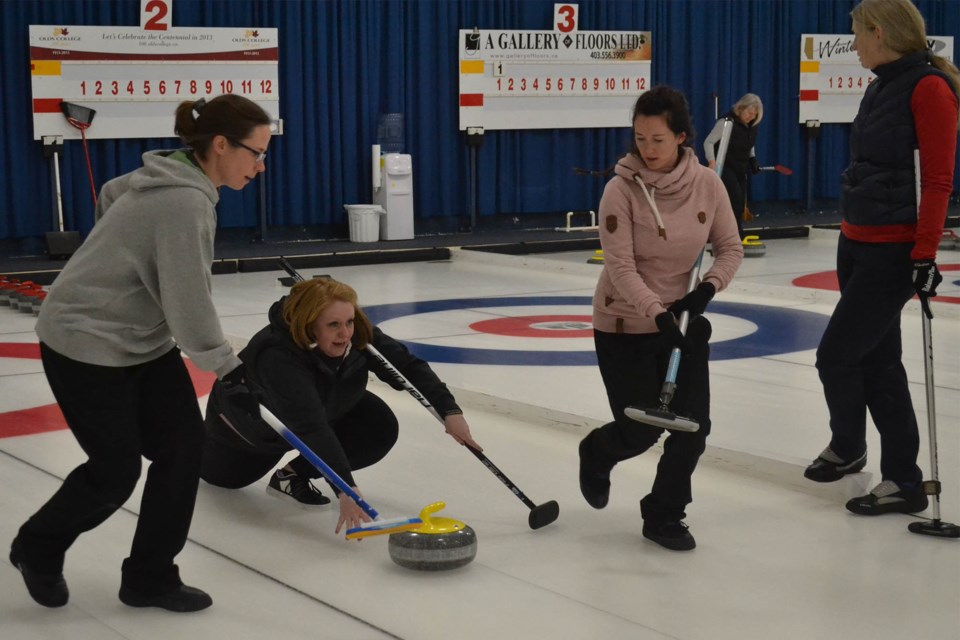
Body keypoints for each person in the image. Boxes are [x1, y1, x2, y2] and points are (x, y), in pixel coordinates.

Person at [10, 95, 271, 612]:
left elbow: (112, 192)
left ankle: (150, 577)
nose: (261, 166)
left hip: (141, 342)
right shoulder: (184, 201)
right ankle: (37, 547)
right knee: (115, 470)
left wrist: (123, 258)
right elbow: (188, 299)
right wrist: (228, 367)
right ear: (220, 145)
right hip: (84, 341)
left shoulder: (172, 177)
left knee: (182, 449)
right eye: (255, 152)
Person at [804, 0, 959, 516]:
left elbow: (937, 179)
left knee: (837, 355)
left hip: (893, 251)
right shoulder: (879, 85)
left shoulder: (929, 88)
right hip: (857, 240)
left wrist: (925, 252)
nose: (852, 44)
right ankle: (898, 477)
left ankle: (855, 448)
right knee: (880, 361)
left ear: (878, 31)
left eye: (855, 34)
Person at [578, 86, 743, 551]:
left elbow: (729, 248)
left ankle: (665, 513)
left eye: (658, 140)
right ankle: (596, 452)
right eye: (640, 139)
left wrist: (706, 291)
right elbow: (620, 266)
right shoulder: (620, 189)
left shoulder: (709, 184)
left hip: (685, 320)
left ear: (682, 138)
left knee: (692, 427)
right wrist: (656, 313)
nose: (647, 150)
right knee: (642, 429)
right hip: (625, 323)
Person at [200, 276, 482, 537]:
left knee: (377, 424)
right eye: (333, 325)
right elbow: (309, 426)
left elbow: (408, 366)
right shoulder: (277, 355)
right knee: (224, 478)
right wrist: (345, 488)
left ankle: (292, 476)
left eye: (348, 321)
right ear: (309, 324)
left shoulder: (358, 334)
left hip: (320, 409)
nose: (345, 333)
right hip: (249, 434)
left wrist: (450, 410)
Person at [703, 93, 764, 238]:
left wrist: (753, 160)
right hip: (724, 167)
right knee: (734, 199)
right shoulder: (726, 122)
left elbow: (749, 143)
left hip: (740, 168)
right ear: (741, 107)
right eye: (749, 113)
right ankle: (732, 234)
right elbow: (708, 142)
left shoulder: (751, 126)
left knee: (740, 202)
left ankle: (735, 233)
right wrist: (712, 162)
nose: (751, 117)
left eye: (755, 115)